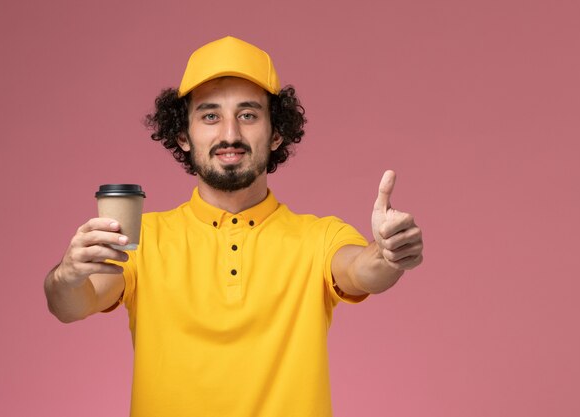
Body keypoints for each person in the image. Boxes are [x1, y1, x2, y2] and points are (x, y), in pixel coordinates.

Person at [44, 36, 424, 417]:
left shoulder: (318, 237)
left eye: (248, 115)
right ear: (183, 135)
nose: (230, 134)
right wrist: (67, 275)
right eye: (210, 116)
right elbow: (72, 305)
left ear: (276, 133)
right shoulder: (144, 238)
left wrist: (389, 253)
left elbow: (363, 270)